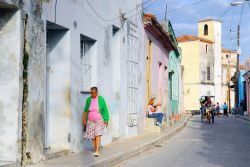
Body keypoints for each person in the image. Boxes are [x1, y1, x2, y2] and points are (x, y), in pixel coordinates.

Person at [83, 87, 109, 157]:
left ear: (97, 93)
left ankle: (97, 150)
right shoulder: (88, 100)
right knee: (92, 136)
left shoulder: (101, 99)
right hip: (90, 120)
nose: (92, 94)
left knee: (97, 134)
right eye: (91, 93)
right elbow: (85, 110)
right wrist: (84, 120)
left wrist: (106, 119)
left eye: (94, 93)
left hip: (99, 119)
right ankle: (96, 147)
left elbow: (105, 109)